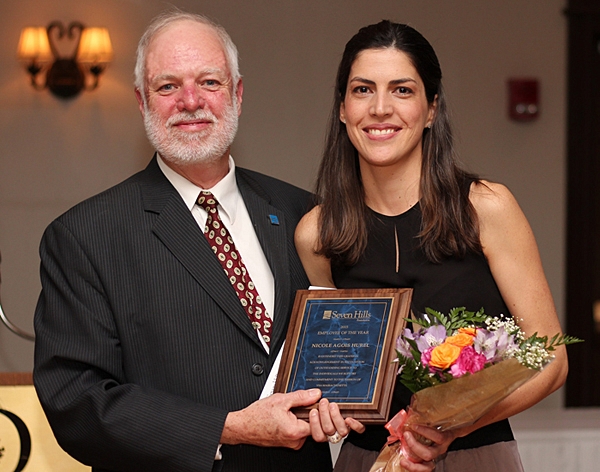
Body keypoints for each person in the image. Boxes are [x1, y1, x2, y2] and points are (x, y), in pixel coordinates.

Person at [33, 10, 336, 472]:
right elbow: (77, 400)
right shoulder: (85, 237)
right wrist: (228, 427)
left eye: (209, 82)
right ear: (142, 101)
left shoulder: (307, 214)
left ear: (237, 93)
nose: (190, 101)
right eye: (168, 86)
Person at [295, 20, 568, 472]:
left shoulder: (485, 208)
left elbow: (552, 362)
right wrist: (326, 407)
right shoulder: (317, 235)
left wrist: (454, 427)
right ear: (342, 108)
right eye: (362, 90)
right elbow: (338, 370)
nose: (380, 109)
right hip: (369, 461)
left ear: (431, 108)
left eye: (402, 90)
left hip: (478, 454)